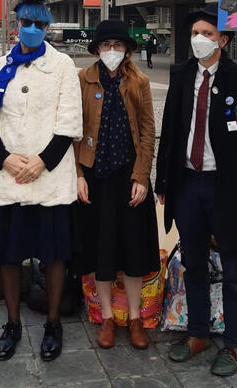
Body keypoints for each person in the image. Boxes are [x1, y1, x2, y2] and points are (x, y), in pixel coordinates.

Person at [155, 3, 237, 377]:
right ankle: (198, 334)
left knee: (233, 268)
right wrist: (163, 182)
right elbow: (171, 131)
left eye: (207, 34)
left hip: (227, 189)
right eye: (195, 33)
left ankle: (234, 345)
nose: (199, 40)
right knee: (193, 262)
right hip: (188, 185)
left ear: (222, 40)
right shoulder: (180, 75)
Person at [0, 0, 82, 363]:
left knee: (54, 256)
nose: (33, 30)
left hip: (49, 176)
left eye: (40, 24)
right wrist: (3, 157)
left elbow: (69, 121)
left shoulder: (64, 65)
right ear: (16, 24)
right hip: (8, 176)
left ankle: (53, 322)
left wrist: (41, 162)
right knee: (9, 256)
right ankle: (12, 323)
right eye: (27, 23)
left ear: (48, 27)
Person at [75, 19, 160, 350]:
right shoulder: (83, 79)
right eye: (106, 45)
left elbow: (148, 131)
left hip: (129, 177)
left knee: (134, 250)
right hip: (95, 176)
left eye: (119, 46)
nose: (112, 51)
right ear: (97, 49)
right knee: (102, 249)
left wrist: (141, 176)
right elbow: (73, 129)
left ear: (127, 50)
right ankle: (108, 316)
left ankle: (136, 317)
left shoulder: (139, 81)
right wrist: (78, 175)